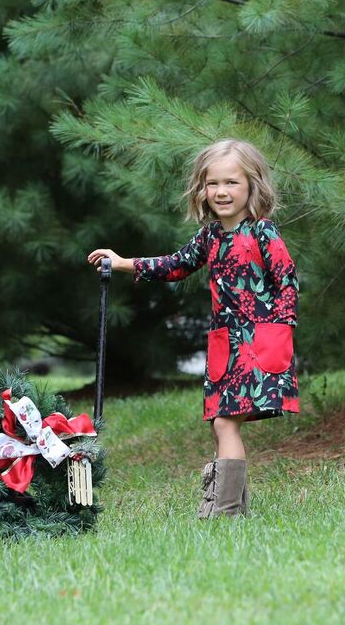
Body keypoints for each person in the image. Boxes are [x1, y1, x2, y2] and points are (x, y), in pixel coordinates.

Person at [87, 139, 299, 518]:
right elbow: (175, 265)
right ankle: (234, 506)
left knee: (225, 422)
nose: (221, 191)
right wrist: (123, 263)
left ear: (253, 185)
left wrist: (278, 333)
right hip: (225, 346)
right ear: (201, 188)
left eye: (232, 182)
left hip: (259, 343)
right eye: (212, 183)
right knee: (220, 425)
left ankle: (226, 512)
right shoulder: (211, 235)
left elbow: (287, 281)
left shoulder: (262, 233)